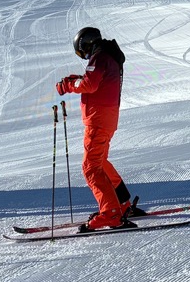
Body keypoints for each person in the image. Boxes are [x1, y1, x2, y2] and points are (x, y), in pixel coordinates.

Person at [55, 25, 145, 231]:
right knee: (100, 163)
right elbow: (93, 81)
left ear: (86, 44)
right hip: (107, 117)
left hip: (98, 119)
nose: (84, 56)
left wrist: (68, 85)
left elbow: (89, 84)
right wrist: (75, 80)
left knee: (91, 167)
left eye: (82, 51)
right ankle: (122, 204)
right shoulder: (108, 56)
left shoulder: (100, 56)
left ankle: (111, 213)